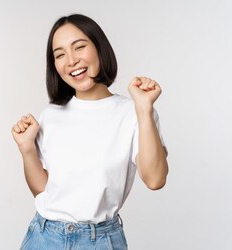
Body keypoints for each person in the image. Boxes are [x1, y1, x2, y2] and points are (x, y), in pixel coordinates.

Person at [11, 14, 168, 250]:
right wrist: (27, 150)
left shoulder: (133, 112)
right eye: (60, 54)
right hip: (43, 237)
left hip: (100, 241)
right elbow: (44, 191)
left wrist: (144, 109)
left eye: (80, 47)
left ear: (99, 48)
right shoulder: (51, 114)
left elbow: (155, 179)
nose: (71, 60)